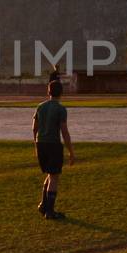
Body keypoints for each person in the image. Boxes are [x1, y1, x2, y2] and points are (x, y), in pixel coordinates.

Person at [32, 78, 74, 219]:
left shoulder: (40, 106)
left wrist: (35, 143)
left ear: (48, 91)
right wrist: (71, 151)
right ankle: (50, 211)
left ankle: (43, 205)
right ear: (61, 93)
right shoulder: (60, 109)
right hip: (53, 144)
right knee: (54, 177)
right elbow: (64, 131)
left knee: (50, 175)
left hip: (41, 143)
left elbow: (34, 127)